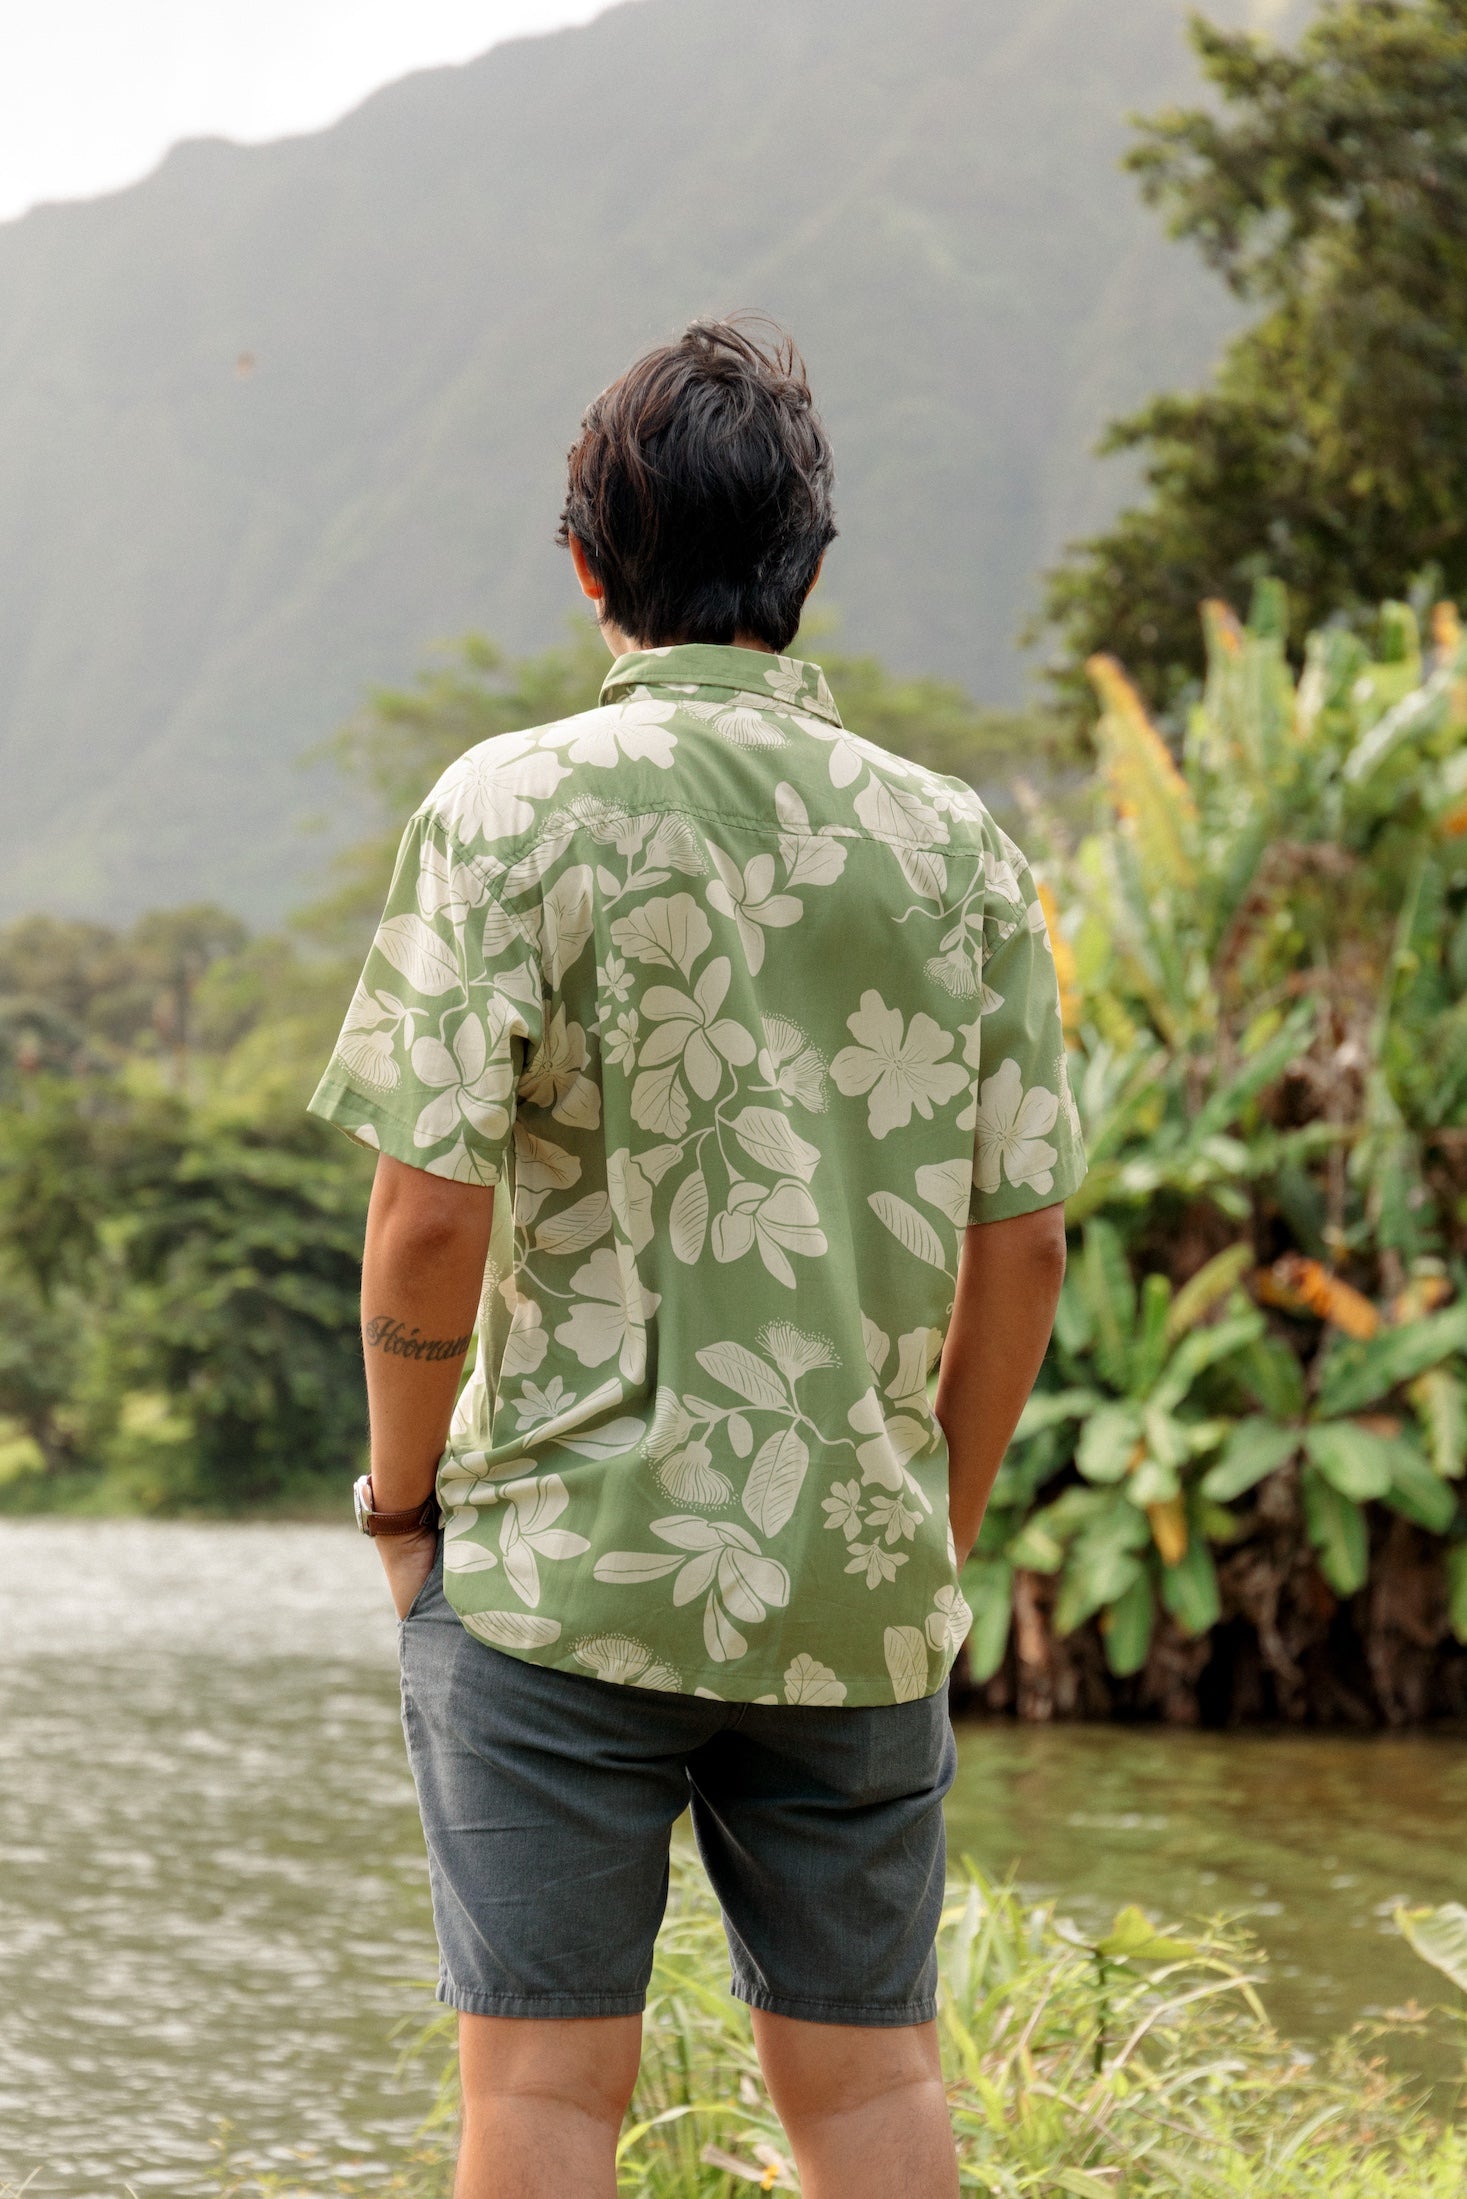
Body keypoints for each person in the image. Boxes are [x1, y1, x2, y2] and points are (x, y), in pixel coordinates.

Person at [309, 317, 1084, 2199]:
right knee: (874, 2091)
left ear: (588, 565)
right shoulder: (956, 847)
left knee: (544, 2097)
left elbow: (428, 1213)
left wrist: (401, 1507)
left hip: (556, 1565)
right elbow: (1027, 1247)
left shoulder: (508, 808)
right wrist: (921, 1528)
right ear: (809, 567)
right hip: (853, 1571)